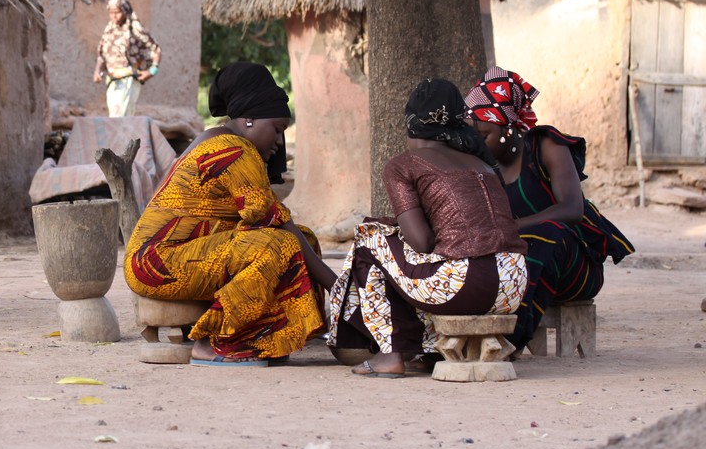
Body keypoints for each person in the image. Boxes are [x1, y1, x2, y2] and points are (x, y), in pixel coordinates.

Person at [124, 62, 335, 367]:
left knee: (304, 239)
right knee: (278, 245)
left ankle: (280, 332)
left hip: (177, 253)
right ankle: (214, 342)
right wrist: (340, 288)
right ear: (249, 120)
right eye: (277, 129)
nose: (279, 141)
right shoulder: (231, 148)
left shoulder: (218, 139)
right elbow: (270, 218)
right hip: (156, 262)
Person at [327, 78, 529, 377]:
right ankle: (431, 349)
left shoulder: (404, 164)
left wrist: (390, 229)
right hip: (513, 285)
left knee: (371, 237)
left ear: (410, 122)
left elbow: (421, 242)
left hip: (465, 285)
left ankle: (391, 354)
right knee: (413, 253)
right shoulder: (483, 164)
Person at [465, 67, 634, 349]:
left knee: (548, 233)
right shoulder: (482, 164)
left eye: (483, 136)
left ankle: (509, 342)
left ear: (508, 127)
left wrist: (515, 227)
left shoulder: (546, 146)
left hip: (574, 267)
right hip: (520, 264)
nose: (477, 143)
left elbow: (572, 209)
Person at [92, 0, 161, 118]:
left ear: (125, 12)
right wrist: (97, 71)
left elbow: (156, 51)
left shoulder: (135, 30)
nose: (114, 16)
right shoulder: (109, 31)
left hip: (128, 79)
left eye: (117, 13)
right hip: (112, 80)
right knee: (120, 117)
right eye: (111, 13)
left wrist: (152, 71)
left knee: (118, 115)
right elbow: (102, 55)